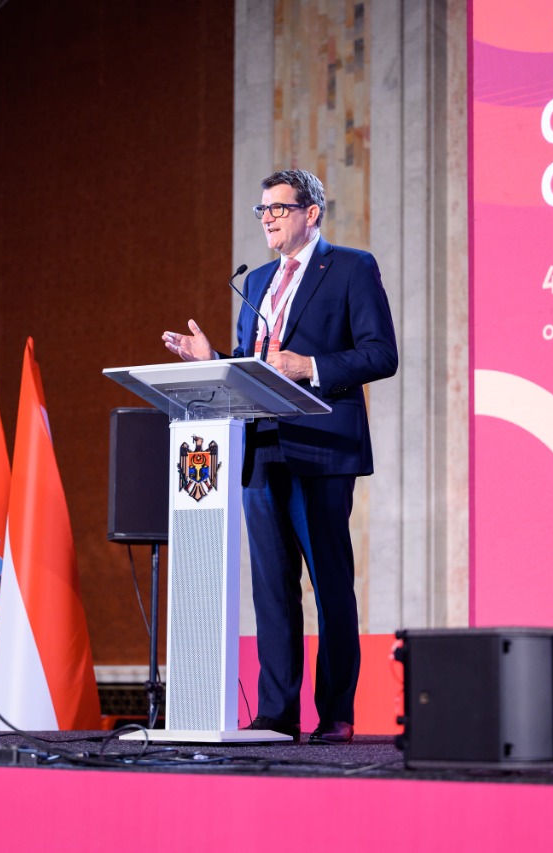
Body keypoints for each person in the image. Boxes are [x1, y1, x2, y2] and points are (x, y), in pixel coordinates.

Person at [161, 169, 398, 744]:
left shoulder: (351, 268)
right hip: (260, 447)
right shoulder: (258, 280)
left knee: (329, 583)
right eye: (262, 210)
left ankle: (336, 712)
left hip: (320, 447)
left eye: (278, 208)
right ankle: (277, 714)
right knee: (271, 587)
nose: (267, 218)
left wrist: (309, 366)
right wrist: (212, 360)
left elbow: (380, 353)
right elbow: (254, 365)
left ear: (311, 213)